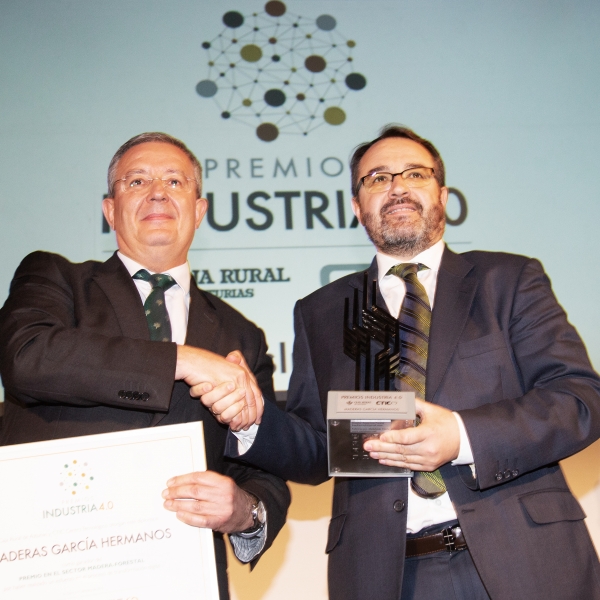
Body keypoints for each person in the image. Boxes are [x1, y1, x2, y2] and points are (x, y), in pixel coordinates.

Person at [205, 125, 600, 599]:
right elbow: (316, 449)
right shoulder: (321, 311)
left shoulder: (508, 279)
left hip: (526, 560)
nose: (396, 187)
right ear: (356, 206)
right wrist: (254, 420)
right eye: (377, 178)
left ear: (443, 194)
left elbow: (579, 398)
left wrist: (461, 436)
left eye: (414, 173)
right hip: (388, 576)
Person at [0, 132, 289, 600]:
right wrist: (181, 359)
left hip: (180, 573)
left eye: (175, 181)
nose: (157, 191)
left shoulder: (241, 335)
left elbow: (261, 467)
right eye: (137, 181)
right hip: (52, 569)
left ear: (199, 210)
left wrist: (247, 511)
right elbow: (27, 357)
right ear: (110, 210)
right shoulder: (56, 278)